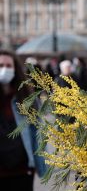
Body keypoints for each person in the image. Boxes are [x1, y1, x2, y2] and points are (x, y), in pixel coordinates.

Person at [0, 50, 47, 191]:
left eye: (9, 66)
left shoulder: (26, 97)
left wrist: (40, 165)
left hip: (22, 170)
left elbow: (37, 132)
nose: (4, 69)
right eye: (1, 65)